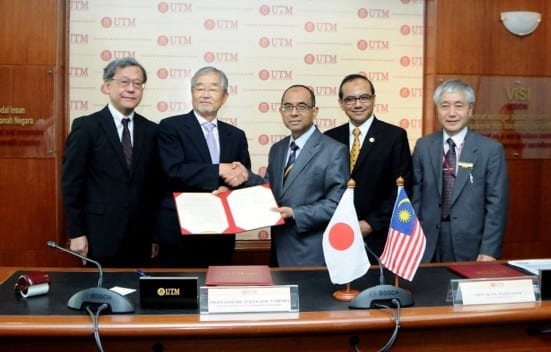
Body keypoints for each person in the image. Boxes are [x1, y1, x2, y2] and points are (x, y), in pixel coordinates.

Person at [61, 57, 161, 267]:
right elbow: (71, 184)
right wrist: (76, 232)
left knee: (136, 297)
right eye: (124, 82)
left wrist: (153, 236)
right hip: (98, 237)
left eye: (138, 83)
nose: (131, 89)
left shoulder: (151, 130)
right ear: (107, 86)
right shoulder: (86, 127)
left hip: (139, 239)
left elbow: (154, 188)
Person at [156, 66, 250, 268]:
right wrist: (218, 170)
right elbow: (172, 171)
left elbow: (243, 177)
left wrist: (230, 190)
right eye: (200, 88)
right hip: (179, 232)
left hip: (220, 232)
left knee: (217, 292)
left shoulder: (236, 135)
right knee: (180, 294)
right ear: (192, 93)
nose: (205, 94)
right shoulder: (170, 127)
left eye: (213, 89)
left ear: (224, 97)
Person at [247, 84, 349, 266]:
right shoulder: (277, 149)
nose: (293, 113)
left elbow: (336, 205)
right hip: (278, 251)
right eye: (287, 107)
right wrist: (245, 177)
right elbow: (269, 192)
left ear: (314, 111)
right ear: (281, 111)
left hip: (311, 254)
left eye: (301, 106)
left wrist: (295, 213)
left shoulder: (334, 150)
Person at [412, 79, 509, 262]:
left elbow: (497, 205)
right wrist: (411, 240)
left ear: (470, 110)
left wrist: (489, 250)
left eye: (459, 106)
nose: (451, 113)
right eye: (445, 106)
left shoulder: (490, 150)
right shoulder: (423, 146)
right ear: (437, 109)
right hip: (426, 242)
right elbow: (416, 197)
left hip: (470, 244)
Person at [325, 74, 413, 260]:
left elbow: (402, 190)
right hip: (336, 235)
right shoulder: (329, 137)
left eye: (364, 97)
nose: (357, 104)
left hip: (378, 238)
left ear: (374, 99)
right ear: (341, 103)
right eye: (350, 99)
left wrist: (371, 224)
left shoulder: (394, 136)